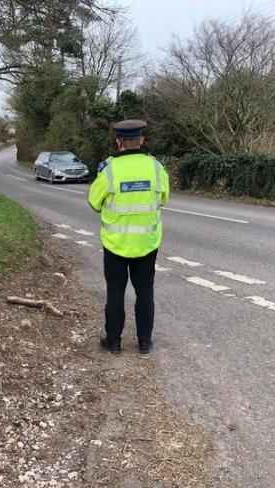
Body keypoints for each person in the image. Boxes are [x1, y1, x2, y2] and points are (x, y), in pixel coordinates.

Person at [88, 119, 170, 355]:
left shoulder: (109, 170)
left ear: (118, 142)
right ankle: (144, 342)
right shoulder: (156, 167)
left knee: (115, 292)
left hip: (115, 245)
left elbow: (94, 203)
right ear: (141, 140)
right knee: (145, 292)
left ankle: (113, 341)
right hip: (147, 243)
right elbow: (163, 199)